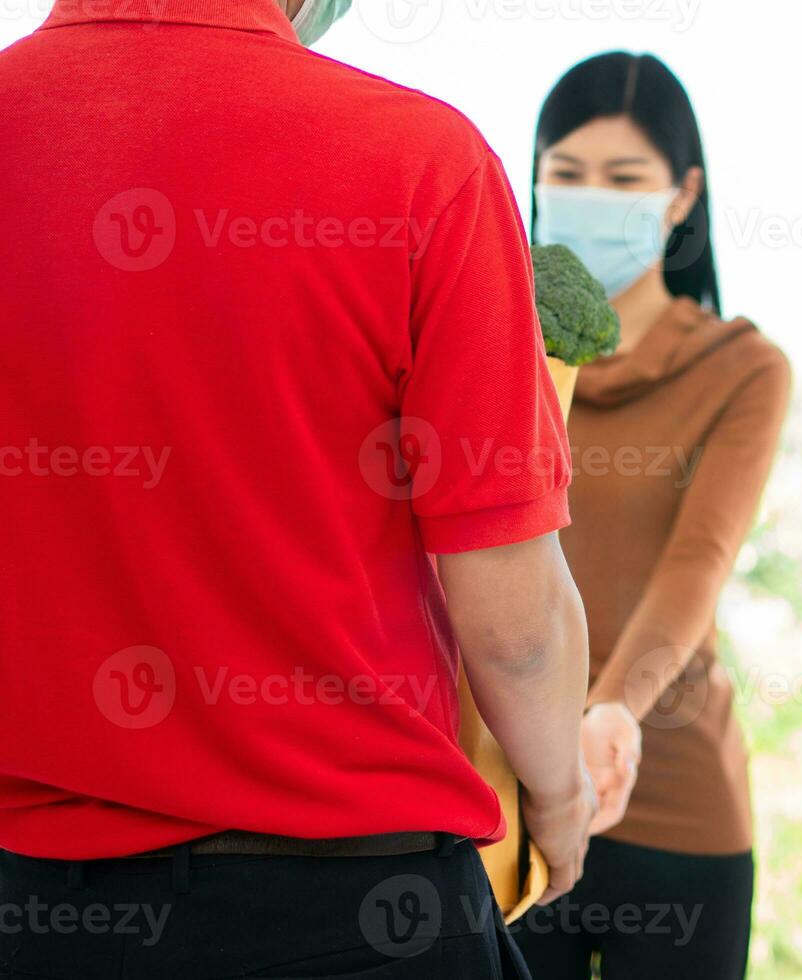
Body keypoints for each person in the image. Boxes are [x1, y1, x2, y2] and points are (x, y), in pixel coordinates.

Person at [0, 2, 595, 976]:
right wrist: (560, 799)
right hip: (358, 915)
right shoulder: (422, 163)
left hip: (35, 912)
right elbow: (516, 621)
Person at [510, 52, 793, 979]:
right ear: (536, 179)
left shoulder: (741, 370)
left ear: (682, 196)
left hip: (674, 805)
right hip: (505, 795)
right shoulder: (487, 357)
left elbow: (696, 569)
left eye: (625, 180)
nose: (595, 198)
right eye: (570, 174)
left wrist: (609, 715)